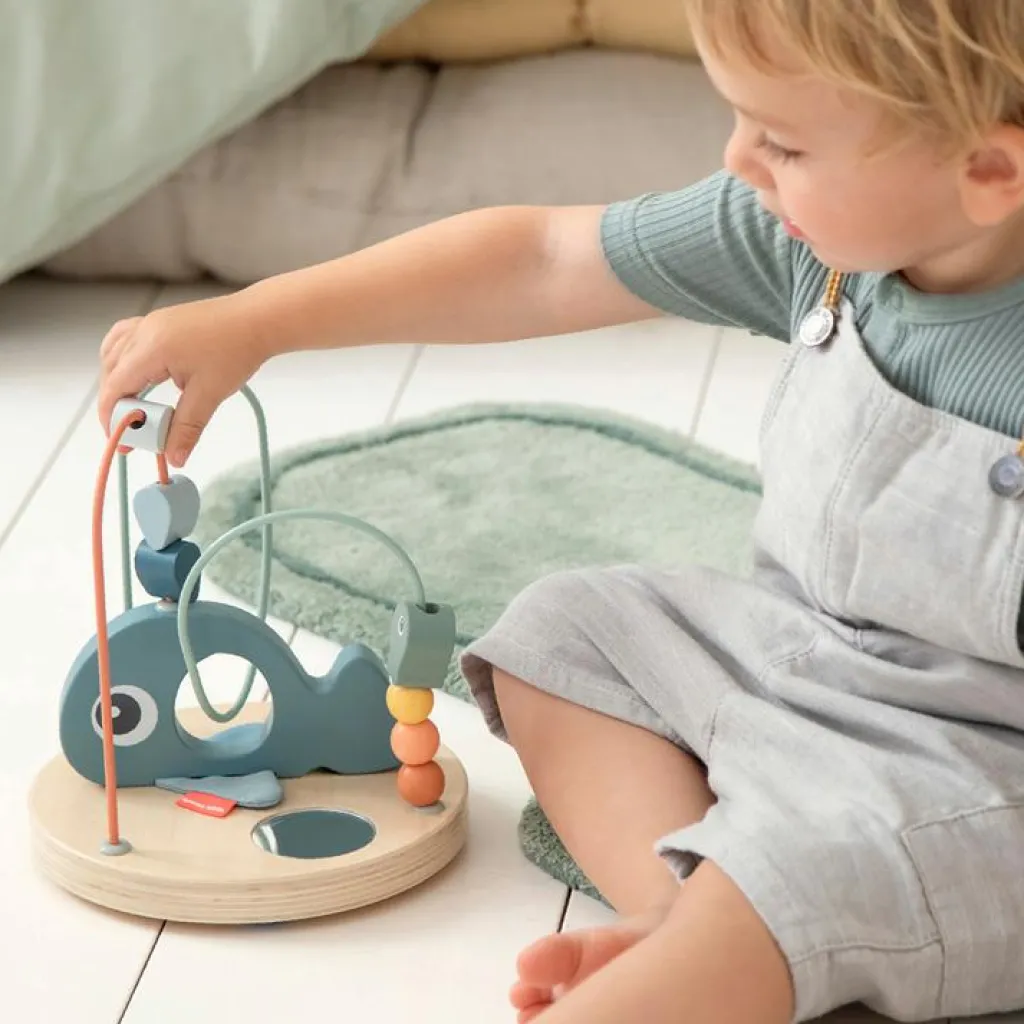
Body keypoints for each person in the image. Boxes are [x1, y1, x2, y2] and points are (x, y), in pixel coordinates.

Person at [97, 2, 1024, 1020]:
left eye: (783, 143)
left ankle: (734, 930)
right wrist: (256, 320)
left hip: (980, 765)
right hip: (801, 658)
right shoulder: (818, 245)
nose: (738, 160)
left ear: (988, 170)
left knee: (796, 881)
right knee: (559, 634)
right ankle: (677, 914)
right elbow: (542, 258)